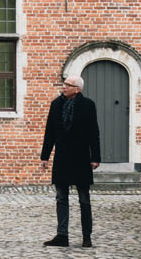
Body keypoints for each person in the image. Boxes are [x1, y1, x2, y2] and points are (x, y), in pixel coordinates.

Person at [40, 73, 100, 248]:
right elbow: (49, 132)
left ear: (77, 89)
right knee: (61, 198)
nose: (64, 87)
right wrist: (45, 156)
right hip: (62, 158)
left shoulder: (88, 105)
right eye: (64, 84)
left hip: (81, 158)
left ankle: (86, 236)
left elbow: (93, 132)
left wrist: (95, 157)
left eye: (68, 84)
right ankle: (62, 235)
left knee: (84, 199)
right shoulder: (56, 105)